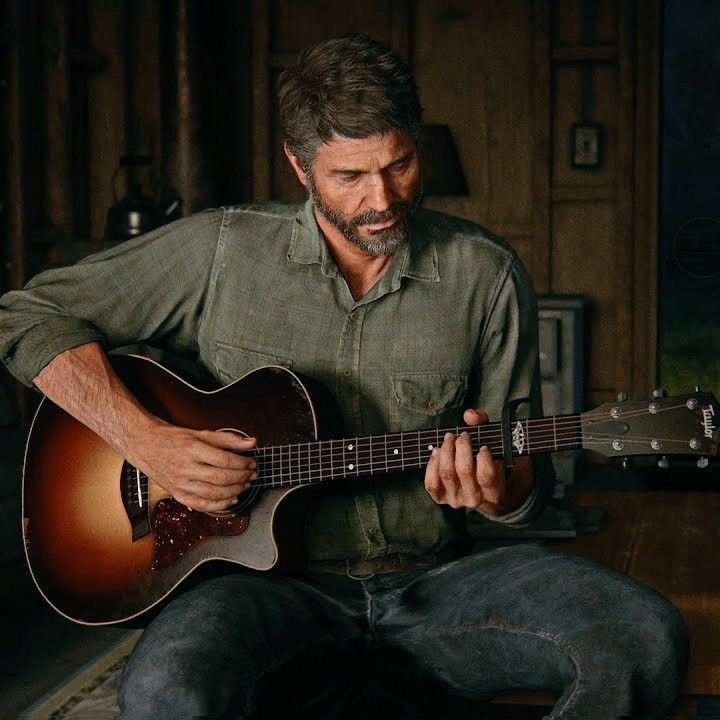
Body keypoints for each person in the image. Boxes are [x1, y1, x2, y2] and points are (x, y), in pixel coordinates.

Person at [0, 33, 687, 720]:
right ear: (300, 167)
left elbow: (523, 490)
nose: (382, 199)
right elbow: (26, 315)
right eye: (349, 178)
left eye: (400, 165)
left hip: (441, 584)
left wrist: (498, 491)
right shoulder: (220, 251)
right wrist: (148, 441)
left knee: (642, 637)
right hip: (261, 589)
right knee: (164, 691)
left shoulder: (486, 275)